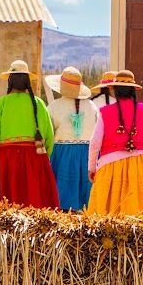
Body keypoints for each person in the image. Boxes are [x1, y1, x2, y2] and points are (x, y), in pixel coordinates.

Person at [0, 59, 58, 208]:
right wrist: (44, 160)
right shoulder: (38, 103)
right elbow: (49, 134)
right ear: (27, 81)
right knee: (33, 202)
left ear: (10, 81)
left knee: (2, 205)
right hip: (34, 158)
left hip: (5, 159)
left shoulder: (1, 103)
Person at [86, 70, 143, 216]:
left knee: (110, 214)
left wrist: (92, 168)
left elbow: (95, 143)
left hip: (112, 168)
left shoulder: (105, 112)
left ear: (115, 90)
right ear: (133, 91)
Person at [43, 66, 100, 211]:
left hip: (62, 153)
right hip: (87, 153)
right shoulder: (92, 106)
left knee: (63, 187)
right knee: (85, 189)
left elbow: (47, 133)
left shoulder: (54, 106)